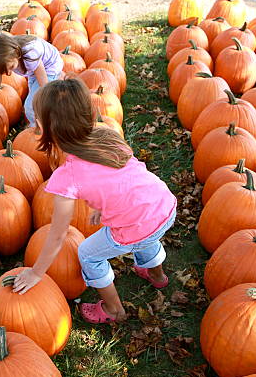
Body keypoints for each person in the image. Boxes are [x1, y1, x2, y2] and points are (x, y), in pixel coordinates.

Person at [11, 78, 177, 324]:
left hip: (137, 225)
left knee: (88, 254)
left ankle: (113, 310)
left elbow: (58, 234)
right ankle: (157, 275)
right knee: (147, 233)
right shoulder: (106, 135)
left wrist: (36, 272)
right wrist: (104, 208)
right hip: (163, 206)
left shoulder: (67, 177)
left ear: (47, 128)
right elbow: (122, 178)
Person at [0, 33, 63, 127]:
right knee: (34, 97)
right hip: (33, 70)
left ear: (16, 53)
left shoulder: (30, 54)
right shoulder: (1, 59)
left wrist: (46, 99)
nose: (9, 73)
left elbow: (44, 85)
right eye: (4, 72)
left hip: (50, 67)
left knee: (32, 105)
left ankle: (39, 128)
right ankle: (40, 123)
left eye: (11, 67)